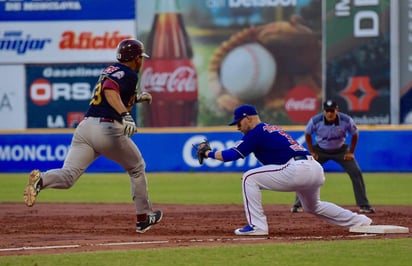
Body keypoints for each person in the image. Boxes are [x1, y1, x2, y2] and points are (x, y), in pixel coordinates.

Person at [23, 39, 162, 233]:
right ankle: (143, 218)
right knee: (137, 168)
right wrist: (125, 115)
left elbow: (111, 95)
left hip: (86, 127)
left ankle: (41, 181)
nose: (141, 61)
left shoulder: (110, 70)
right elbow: (109, 91)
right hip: (107, 129)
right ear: (136, 58)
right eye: (140, 57)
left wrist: (136, 99)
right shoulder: (129, 73)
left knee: (68, 176)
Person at [199, 104, 372, 236]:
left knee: (249, 177)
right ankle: (360, 221)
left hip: (297, 169)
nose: (237, 127)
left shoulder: (256, 132)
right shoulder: (271, 129)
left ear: (248, 118)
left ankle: (257, 227)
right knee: (313, 206)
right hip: (314, 169)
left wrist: (208, 153)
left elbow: (231, 155)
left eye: (238, 122)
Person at [290, 100, 375, 214]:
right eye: (327, 111)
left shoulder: (346, 120)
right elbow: (307, 134)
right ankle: (297, 204)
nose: (330, 113)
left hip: (341, 150)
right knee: (307, 173)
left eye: (332, 111)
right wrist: (312, 152)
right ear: (324, 111)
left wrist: (351, 152)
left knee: (356, 172)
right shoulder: (316, 121)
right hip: (320, 150)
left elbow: (355, 134)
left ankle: (364, 205)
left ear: (337, 110)